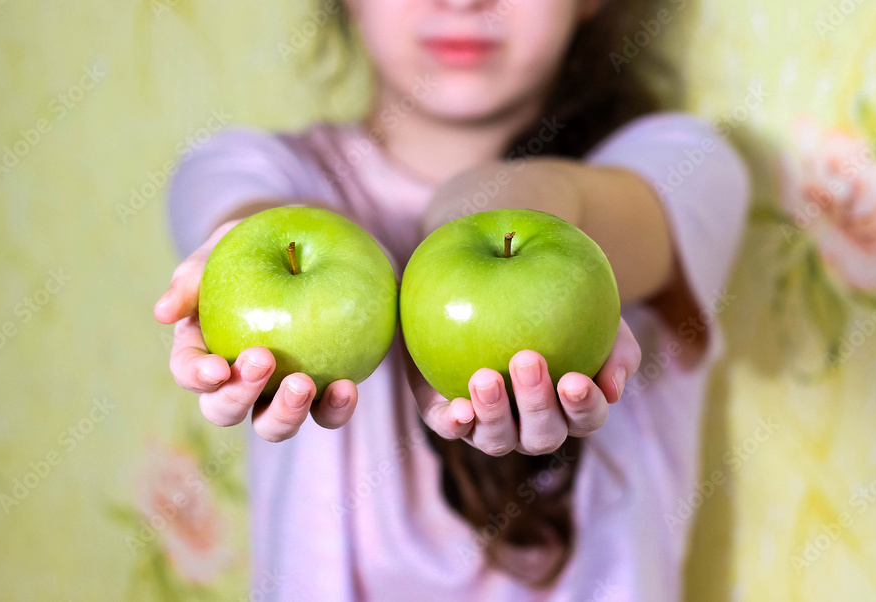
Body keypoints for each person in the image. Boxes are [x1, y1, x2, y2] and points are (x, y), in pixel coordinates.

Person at [153, 1, 750, 599]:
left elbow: (539, 200)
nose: (463, 1)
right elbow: (249, 213)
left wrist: (465, 234)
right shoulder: (244, 167)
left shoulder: (682, 165)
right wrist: (238, 250)